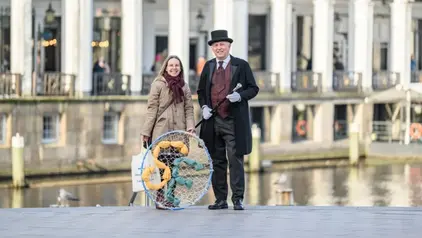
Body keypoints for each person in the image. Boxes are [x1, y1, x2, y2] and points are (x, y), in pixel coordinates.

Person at [196, 30, 259, 210]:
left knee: (235, 160)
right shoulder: (208, 67)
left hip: (233, 121)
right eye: (215, 45)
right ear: (212, 48)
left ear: (229, 46)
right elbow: (201, 92)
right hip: (213, 121)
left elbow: (253, 89)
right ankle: (220, 199)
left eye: (222, 44)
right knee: (217, 161)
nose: (219, 48)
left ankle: (237, 199)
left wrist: (239, 96)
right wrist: (205, 107)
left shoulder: (241, 65)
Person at [140, 55, 196, 210]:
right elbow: (151, 109)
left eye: (177, 65)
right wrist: (146, 132)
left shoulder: (185, 86)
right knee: (161, 165)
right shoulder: (158, 85)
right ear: (165, 67)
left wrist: (190, 127)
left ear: (180, 68)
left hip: (179, 133)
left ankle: (170, 197)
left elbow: (189, 109)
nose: (174, 68)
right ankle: (159, 198)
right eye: (171, 65)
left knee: (174, 166)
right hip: (161, 132)